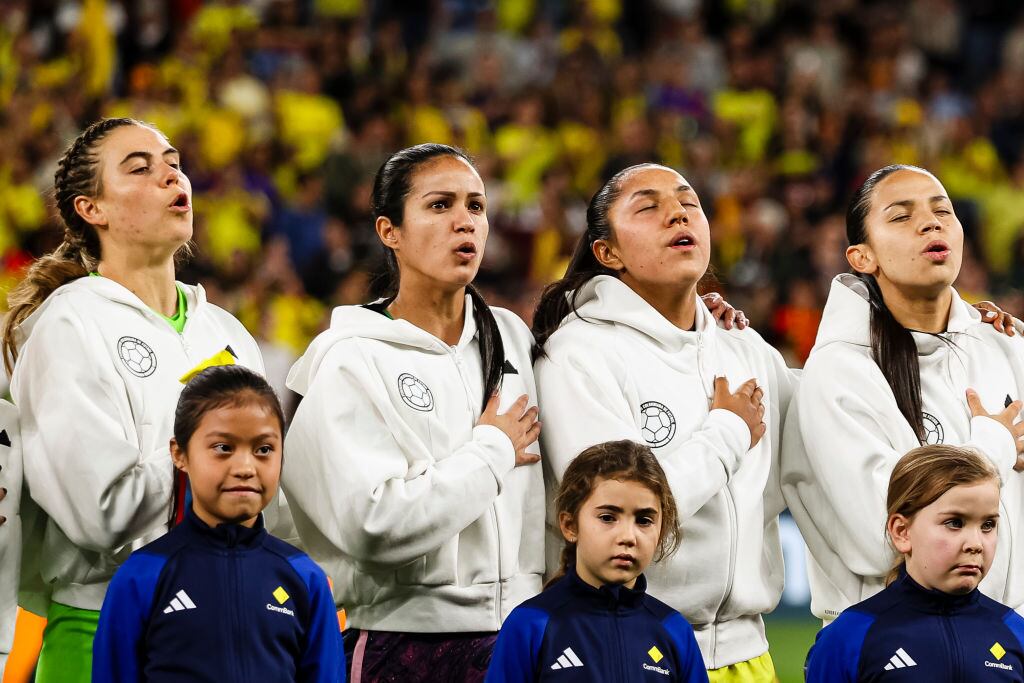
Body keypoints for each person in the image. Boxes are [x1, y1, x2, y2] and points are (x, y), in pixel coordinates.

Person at [0, 117, 265, 681]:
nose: (170, 175)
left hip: (224, 623)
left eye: (172, 161)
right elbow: (100, 512)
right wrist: (215, 457)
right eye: (140, 168)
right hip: (104, 631)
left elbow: (273, 501)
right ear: (92, 209)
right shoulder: (68, 324)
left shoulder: (228, 333)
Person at [281, 143, 542, 683]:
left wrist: (705, 317)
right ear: (388, 231)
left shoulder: (512, 337)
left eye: (476, 206)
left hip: (520, 636)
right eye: (440, 205)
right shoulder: (351, 358)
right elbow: (373, 525)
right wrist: (492, 450)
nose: (464, 222)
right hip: (402, 642)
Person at [532, 163, 796, 681]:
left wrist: (971, 331)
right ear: (607, 253)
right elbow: (616, 513)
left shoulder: (744, 348)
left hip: (749, 653)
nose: (677, 212)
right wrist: (729, 434)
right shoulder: (578, 356)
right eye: (648, 207)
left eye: (688, 203)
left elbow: (828, 435)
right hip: (624, 647)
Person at [781, 164, 1024, 624]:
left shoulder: (1005, 346)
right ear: (861, 257)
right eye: (900, 216)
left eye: (943, 211)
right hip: (893, 645)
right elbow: (883, 537)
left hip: (1004, 643)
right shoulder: (838, 371)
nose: (931, 223)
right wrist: (992, 448)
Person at [92, 365, 344, 681]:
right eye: (223, 448)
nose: (245, 467)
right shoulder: (140, 576)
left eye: (264, 449)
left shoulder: (305, 578)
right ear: (179, 453)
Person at [485, 439, 708, 683]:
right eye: (607, 517)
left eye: (644, 520)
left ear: (661, 529)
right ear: (570, 525)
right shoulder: (529, 625)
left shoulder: (674, 630)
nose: (627, 537)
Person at [805, 445, 1024, 681]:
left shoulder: (1015, 632)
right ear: (902, 532)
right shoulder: (848, 639)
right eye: (955, 523)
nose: (976, 543)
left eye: (988, 525)